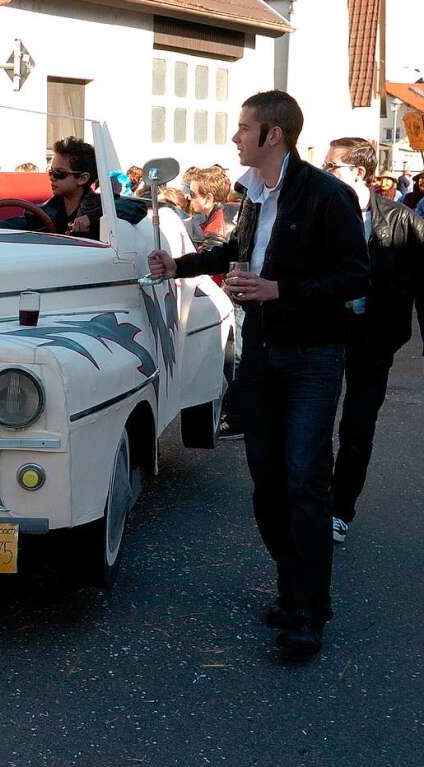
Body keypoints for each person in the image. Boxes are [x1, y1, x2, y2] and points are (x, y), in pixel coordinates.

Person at [146, 90, 369, 660]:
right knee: (268, 484)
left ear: (274, 135)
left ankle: (307, 612)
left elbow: (355, 277)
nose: (235, 137)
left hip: (314, 356)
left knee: (303, 481)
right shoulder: (253, 194)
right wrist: (180, 264)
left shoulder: (328, 195)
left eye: (244, 128)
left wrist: (278, 290)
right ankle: (294, 587)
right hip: (264, 352)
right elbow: (237, 252)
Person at [321, 137, 424, 544]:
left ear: (357, 173)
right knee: (312, 422)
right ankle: (313, 501)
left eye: (333, 166)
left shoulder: (404, 221)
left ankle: (340, 509)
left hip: (375, 339)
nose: (324, 171)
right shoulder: (321, 212)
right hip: (323, 333)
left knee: (357, 427)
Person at [0, 136, 146, 237]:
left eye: (59, 174)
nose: (52, 178)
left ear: (82, 178)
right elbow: (13, 226)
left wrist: (93, 218)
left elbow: (137, 207)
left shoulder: (98, 204)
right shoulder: (46, 211)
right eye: (51, 172)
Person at [187, 166, 243, 438]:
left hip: (231, 297)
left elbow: (210, 260)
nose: (189, 198)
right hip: (234, 294)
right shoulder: (226, 212)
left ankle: (237, 419)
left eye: (193, 193)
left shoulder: (218, 220)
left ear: (208, 198)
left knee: (233, 360)